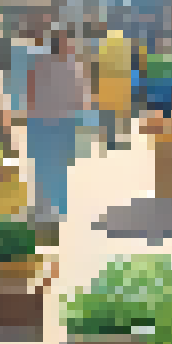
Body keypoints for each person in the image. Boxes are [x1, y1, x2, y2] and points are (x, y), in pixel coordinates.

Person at [25, 29, 89, 218]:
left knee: (44, 164)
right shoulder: (72, 66)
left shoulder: (39, 64)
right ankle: (58, 206)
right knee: (58, 163)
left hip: (43, 120)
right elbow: (80, 97)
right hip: (61, 121)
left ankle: (46, 206)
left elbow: (30, 91)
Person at [94, 27, 135, 153]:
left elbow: (96, 71)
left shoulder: (103, 49)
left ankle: (110, 140)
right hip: (120, 89)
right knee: (121, 115)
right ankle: (123, 139)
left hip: (107, 89)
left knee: (109, 116)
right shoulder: (124, 49)